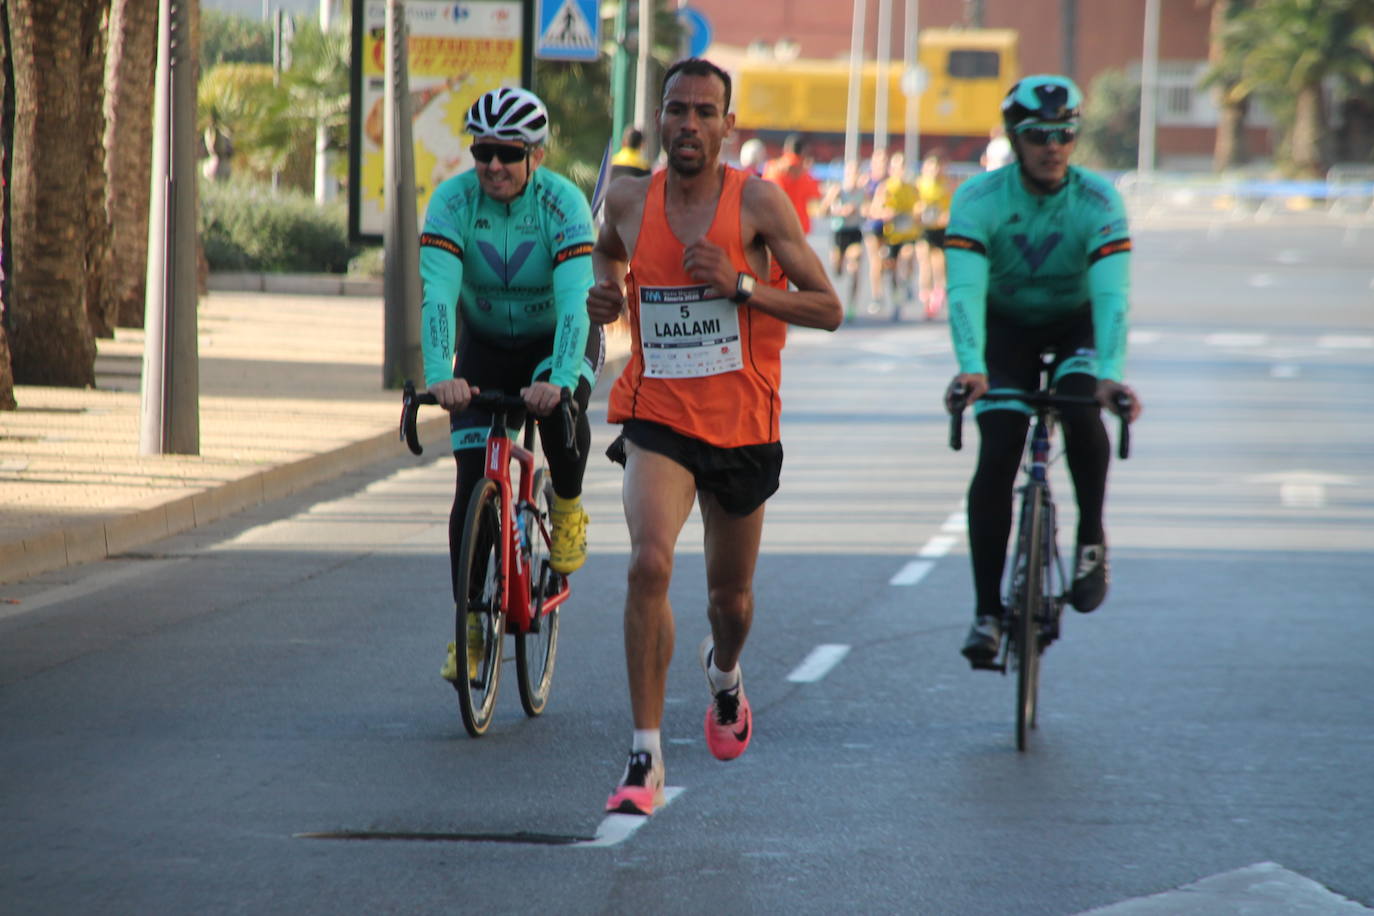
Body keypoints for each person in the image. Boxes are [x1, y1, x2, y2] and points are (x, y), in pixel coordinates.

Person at [586, 58, 842, 815]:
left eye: (704, 112)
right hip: (658, 415)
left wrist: (742, 286)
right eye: (676, 110)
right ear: (660, 118)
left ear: (728, 126)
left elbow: (828, 307)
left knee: (729, 602)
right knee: (648, 563)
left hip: (741, 426)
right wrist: (607, 295)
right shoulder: (632, 200)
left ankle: (725, 676)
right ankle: (645, 757)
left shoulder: (758, 203)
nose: (688, 124)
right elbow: (607, 249)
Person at [942, 75, 1143, 668]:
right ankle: (986, 610)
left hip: (1075, 325)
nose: (1052, 146)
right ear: (1014, 137)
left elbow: (1112, 298)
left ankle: (1091, 540)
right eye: (1037, 135)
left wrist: (1110, 373)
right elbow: (962, 291)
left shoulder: (1099, 200)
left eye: (1064, 134)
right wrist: (973, 369)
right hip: (1005, 331)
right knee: (999, 444)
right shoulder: (979, 200)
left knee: (1082, 408)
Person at [418, 87, 603, 685]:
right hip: (488, 343)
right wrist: (442, 376)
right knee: (471, 479)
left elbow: (577, 302)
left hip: (558, 336)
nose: (493, 165)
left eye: (507, 152)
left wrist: (561, 375)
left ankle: (568, 505)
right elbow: (439, 296)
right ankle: (470, 628)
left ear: (536, 155)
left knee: (560, 413)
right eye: (482, 151)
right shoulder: (451, 204)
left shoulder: (563, 205)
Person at [869, 150, 921, 316]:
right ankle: (896, 299)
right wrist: (885, 213)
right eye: (897, 167)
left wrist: (919, 214)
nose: (901, 170)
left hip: (909, 235)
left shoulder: (913, 188)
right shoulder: (885, 188)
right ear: (891, 169)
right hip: (891, 235)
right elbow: (874, 210)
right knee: (892, 269)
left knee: (907, 256)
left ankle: (907, 283)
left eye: (903, 167)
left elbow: (919, 209)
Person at [818, 159, 867, 318]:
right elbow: (822, 211)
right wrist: (840, 211)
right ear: (846, 174)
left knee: (855, 266)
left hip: (854, 231)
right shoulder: (837, 190)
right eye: (851, 173)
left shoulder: (862, 192)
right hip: (839, 232)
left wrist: (862, 212)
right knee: (838, 270)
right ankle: (839, 267)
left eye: (856, 174)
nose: (853, 177)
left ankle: (852, 305)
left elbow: (867, 210)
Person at [913, 151, 952, 320]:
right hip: (924, 228)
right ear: (924, 168)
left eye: (937, 167)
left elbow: (950, 209)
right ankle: (926, 297)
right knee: (924, 262)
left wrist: (946, 216)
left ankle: (939, 291)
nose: (934, 170)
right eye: (930, 166)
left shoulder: (946, 186)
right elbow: (912, 207)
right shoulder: (919, 185)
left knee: (939, 264)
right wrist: (918, 212)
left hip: (940, 229)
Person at [762, 132, 823, 236]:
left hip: (776, 226)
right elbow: (816, 196)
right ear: (804, 152)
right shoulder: (806, 174)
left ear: (786, 149)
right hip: (798, 228)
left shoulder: (772, 168)